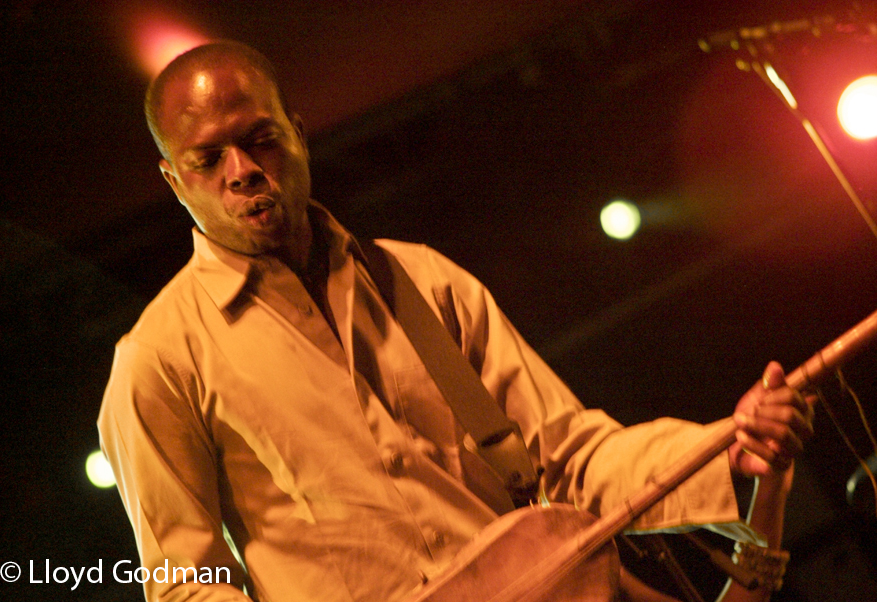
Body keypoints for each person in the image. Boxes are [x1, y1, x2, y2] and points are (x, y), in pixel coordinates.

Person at [97, 40, 814, 602]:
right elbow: (190, 581)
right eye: (207, 158)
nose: (242, 170)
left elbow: (569, 458)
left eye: (258, 138)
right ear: (172, 179)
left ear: (299, 132)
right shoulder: (160, 359)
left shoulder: (420, 280)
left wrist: (728, 446)